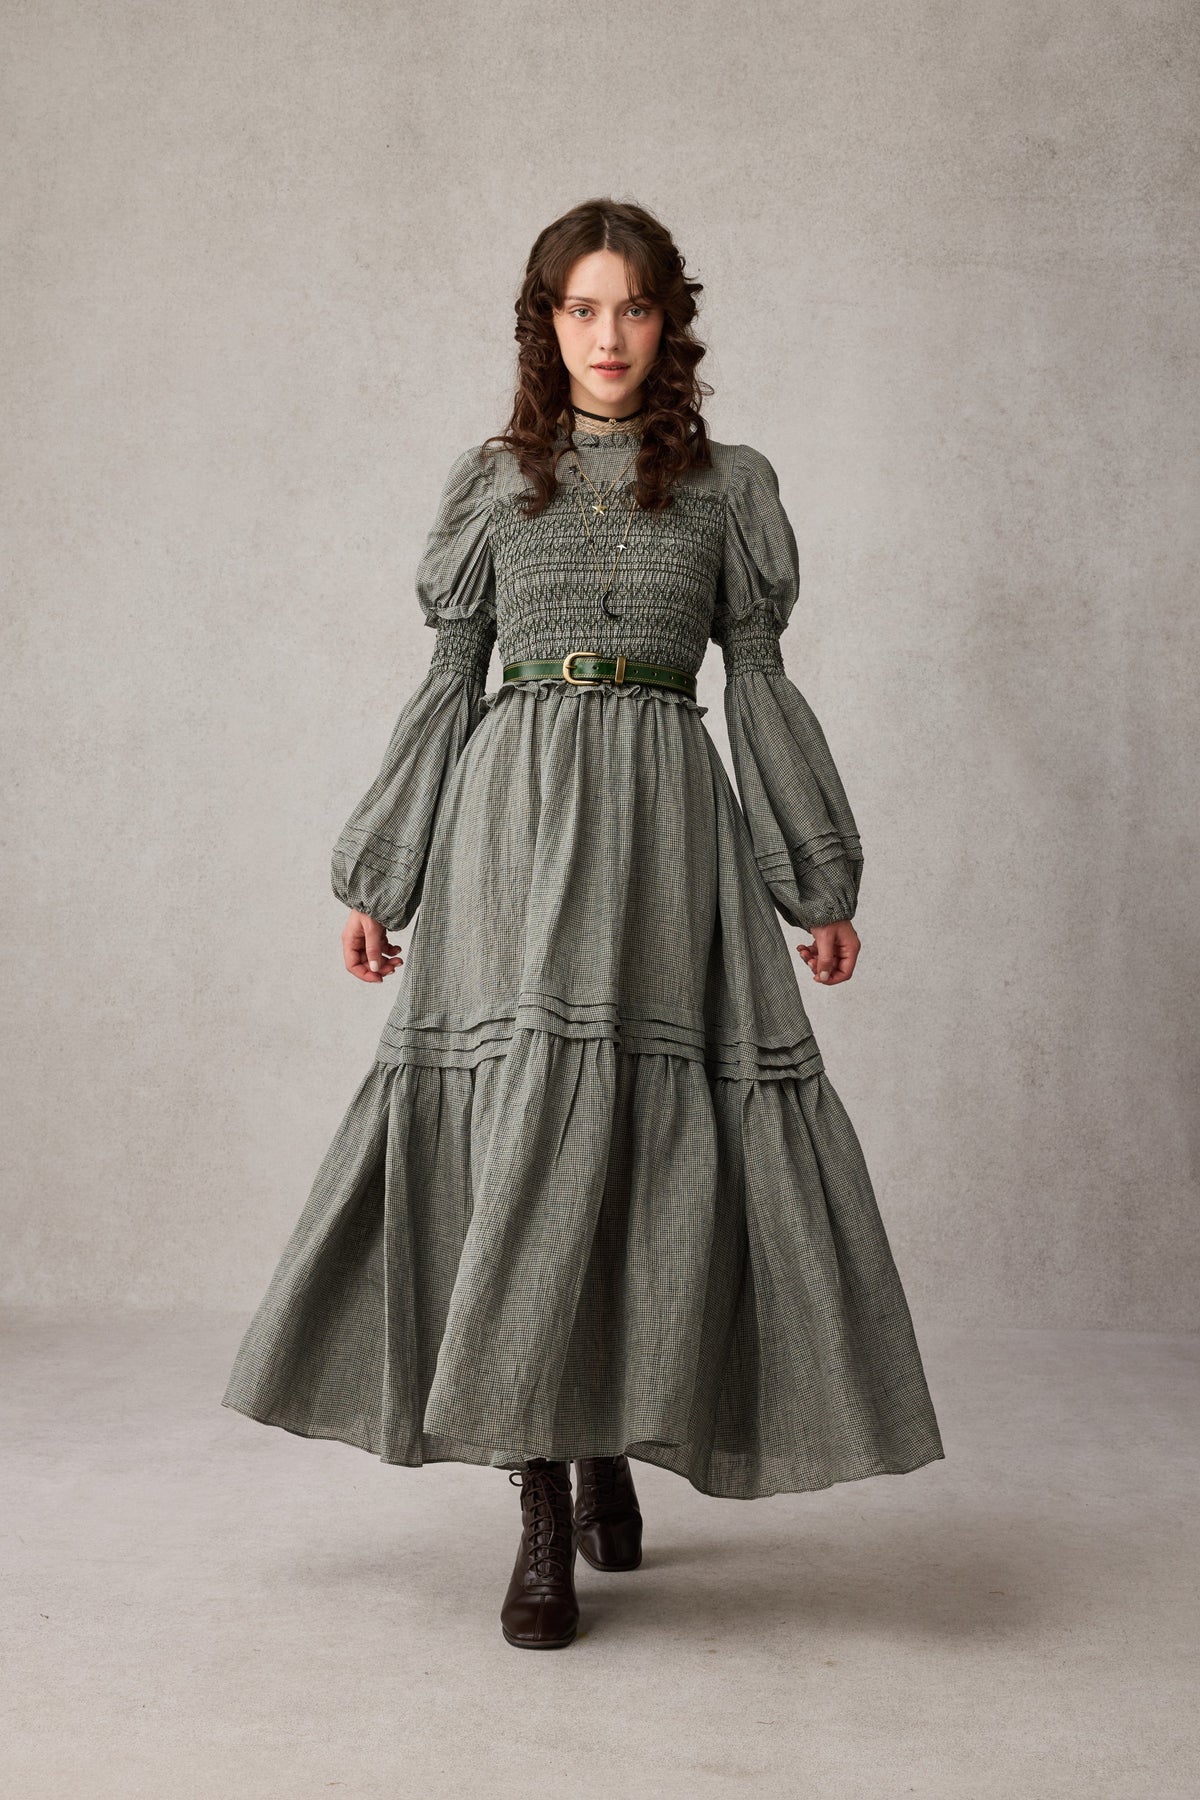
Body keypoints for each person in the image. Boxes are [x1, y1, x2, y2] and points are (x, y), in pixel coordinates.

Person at [222, 196, 944, 1651]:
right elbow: (450, 685)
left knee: (639, 1150)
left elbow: (760, 687)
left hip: (669, 828)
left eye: (632, 307)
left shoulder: (730, 487)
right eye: (579, 308)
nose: (607, 335)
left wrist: (816, 882)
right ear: (545, 326)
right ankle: (543, 1505)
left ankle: (607, 1438)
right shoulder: (496, 482)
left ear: (671, 322)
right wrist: (384, 875)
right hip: (517, 830)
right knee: (526, 1147)